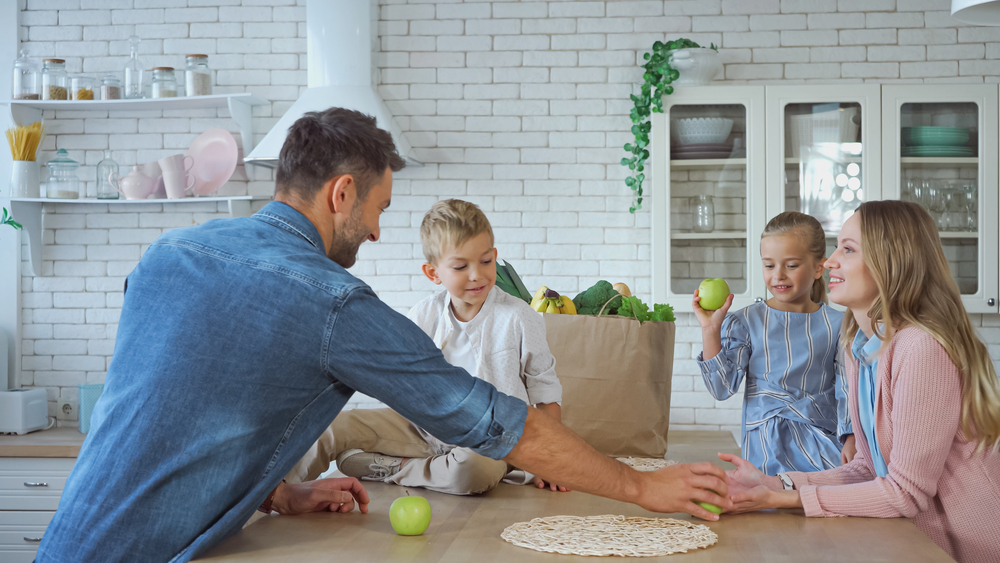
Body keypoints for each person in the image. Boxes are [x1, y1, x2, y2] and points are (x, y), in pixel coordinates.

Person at [34, 108, 730, 563]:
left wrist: (276, 492)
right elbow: (490, 418)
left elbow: (185, 409)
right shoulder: (334, 303)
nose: (375, 230)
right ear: (341, 193)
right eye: (378, 209)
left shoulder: (167, 254)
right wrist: (641, 489)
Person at [722, 201, 1000, 563]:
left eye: (848, 249)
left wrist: (787, 498)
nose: (831, 261)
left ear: (891, 263)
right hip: (907, 539)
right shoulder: (861, 348)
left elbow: (905, 493)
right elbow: (868, 468)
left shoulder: (921, 348)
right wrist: (776, 483)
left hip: (963, 547)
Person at [287, 199, 568, 495]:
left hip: (490, 440)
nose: (477, 274)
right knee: (334, 427)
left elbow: (545, 392)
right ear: (433, 273)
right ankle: (274, 491)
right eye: (461, 266)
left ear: (494, 256)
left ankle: (396, 468)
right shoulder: (423, 314)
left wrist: (552, 461)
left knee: (473, 470)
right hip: (422, 430)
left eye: (485, 261)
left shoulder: (520, 317)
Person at [693, 211, 854, 475]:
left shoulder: (839, 324)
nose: (778, 275)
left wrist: (851, 437)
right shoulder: (746, 321)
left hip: (823, 448)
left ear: (818, 267)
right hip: (764, 451)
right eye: (769, 265)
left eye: (791, 265)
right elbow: (721, 389)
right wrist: (710, 330)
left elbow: (847, 388)